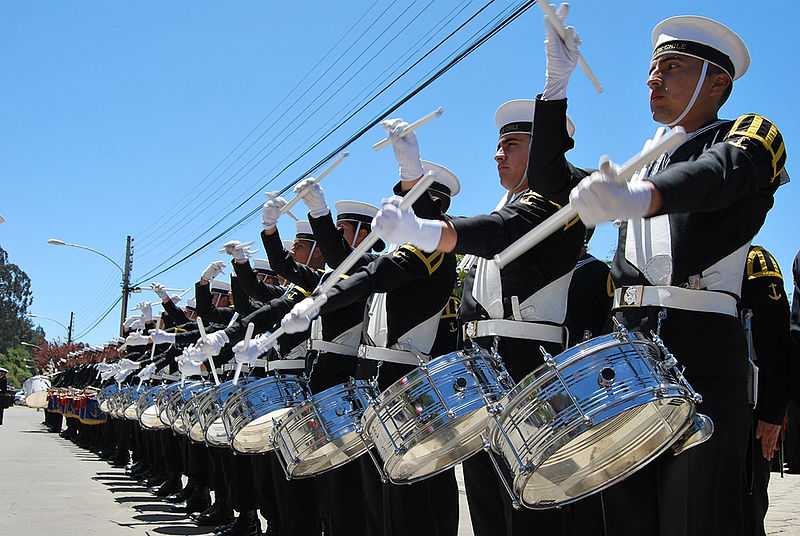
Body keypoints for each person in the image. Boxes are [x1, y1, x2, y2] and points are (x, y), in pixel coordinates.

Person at [371, 6, 587, 534]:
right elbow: (438, 240)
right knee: (489, 506)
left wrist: (554, 91)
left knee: (531, 510)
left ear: (545, 150)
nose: (498, 154)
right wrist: (411, 179)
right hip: (483, 371)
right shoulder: (505, 203)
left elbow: (494, 228)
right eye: (497, 145)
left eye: (512, 144)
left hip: (529, 365)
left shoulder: (564, 196)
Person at [569, 15, 788, 536]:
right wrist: (556, 90)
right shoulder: (643, 161)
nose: (653, 79)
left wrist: (642, 198)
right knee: (626, 518)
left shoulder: (748, 135)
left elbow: (720, 174)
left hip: (701, 359)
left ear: (718, 83)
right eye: (651, 69)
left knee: (694, 518)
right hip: (629, 361)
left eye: (671, 67)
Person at [739, 245, 790, 536]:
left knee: (747, 510)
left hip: (751, 406)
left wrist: (772, 413)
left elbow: (777, 340)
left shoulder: (755, 261)